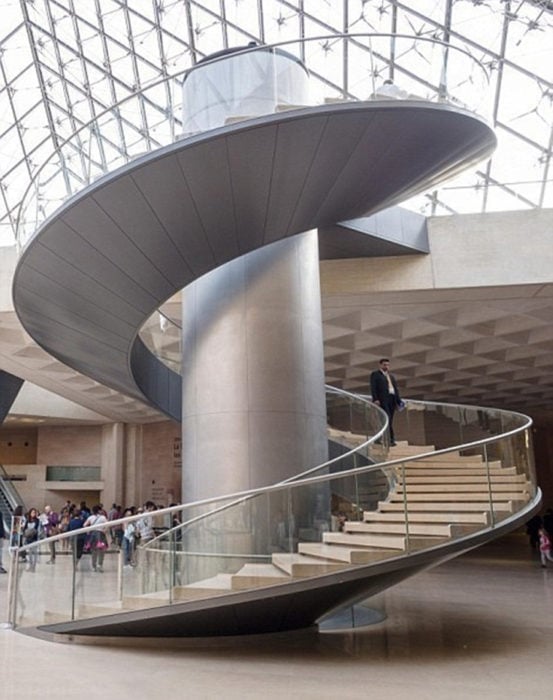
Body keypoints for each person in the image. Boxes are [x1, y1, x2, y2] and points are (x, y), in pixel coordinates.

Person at [370, 358, 403, 446]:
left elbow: (395, 389)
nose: (386, 367)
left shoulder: (391, 376)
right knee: (386, 419)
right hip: (383, 400)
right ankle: (387, 439)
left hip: (392, 399)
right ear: (380, 365)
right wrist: (375, 399)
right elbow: (373, 387)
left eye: (388, 365)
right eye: (384, 365)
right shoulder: (376, 375)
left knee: (390, 420)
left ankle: (388, 439)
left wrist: (398, 401)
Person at [83, 505, 108, 572]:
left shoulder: (90, 517)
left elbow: (84, 525)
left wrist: (88, 531)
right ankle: (100, 565)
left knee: (94, 551)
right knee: (101, 551)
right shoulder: (103, 517)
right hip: (101, 535)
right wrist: (104, 530)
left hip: (93, 535)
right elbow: (107, 525)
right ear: (99, 510)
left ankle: (94, 566)